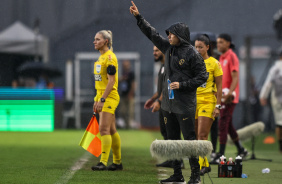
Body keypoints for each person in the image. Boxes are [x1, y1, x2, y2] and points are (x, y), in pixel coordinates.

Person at [130, 2, 208, 183]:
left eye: (172, 34)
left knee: (189, 140)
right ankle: (177, 174)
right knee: (171, 140)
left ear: (180, 36)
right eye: (169, 34)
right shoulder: (168, 48)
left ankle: (195, 176)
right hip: (168, 105)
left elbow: (203, 76)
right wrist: (138, 18)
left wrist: (182, 85)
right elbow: (152, 34)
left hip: (185, 104)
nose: (169, 36)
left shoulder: (192, 54)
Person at [144, 46, 184, 168]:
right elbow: (160, 90)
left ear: (164, 51)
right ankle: (172, 159)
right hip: (164, 104)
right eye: (153, 50)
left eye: (157, 50)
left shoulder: (169, 66)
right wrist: (152, 99)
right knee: (165, 131)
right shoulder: (162, 67)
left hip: (171, 104)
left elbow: (168, 88)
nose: (154, 53)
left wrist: (159, 102)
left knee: (173, 133)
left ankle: (179, 160)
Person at [91, 30, 122, 171]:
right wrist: (97, 99)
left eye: (98, 39)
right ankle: (117, 162)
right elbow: (101, 84)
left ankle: (103, 162)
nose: (94, 41)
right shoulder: (100, 58)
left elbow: (111, 82)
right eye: (95, 39)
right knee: (111, 129)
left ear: (106, 42)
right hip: (102, 96)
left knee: (103, 128)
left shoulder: (110, 58)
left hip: (109, 97)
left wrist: (102, 99)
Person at [215, 33, 248, 161]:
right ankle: (241, 149)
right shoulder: (221, 58)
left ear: (228, 43)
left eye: (221, 42)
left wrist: (230, 94)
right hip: (222, 96)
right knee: (227, 125)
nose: (218, 44)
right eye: (218, 42)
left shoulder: (232, 56)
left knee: (223, 123)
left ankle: (220, 155)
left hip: (230, 97)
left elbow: (235, 78)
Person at [194, 35, 223, 175]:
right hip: (193, 102)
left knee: (202, 135)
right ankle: (204, 164)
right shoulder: (191, 63)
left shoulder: (214, 63)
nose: (198, 49)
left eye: (200, 47)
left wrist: (218, 106)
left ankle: (202, 165)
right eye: (196, 47)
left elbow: (220, 86)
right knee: (194, 135)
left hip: (208, 101)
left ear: (207, 47)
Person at [260, 47, 282, 153]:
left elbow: (268, 84)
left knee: (279, 122)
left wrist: (263, 96)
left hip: (277, 98)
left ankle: (281, 144)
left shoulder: (275, 68)